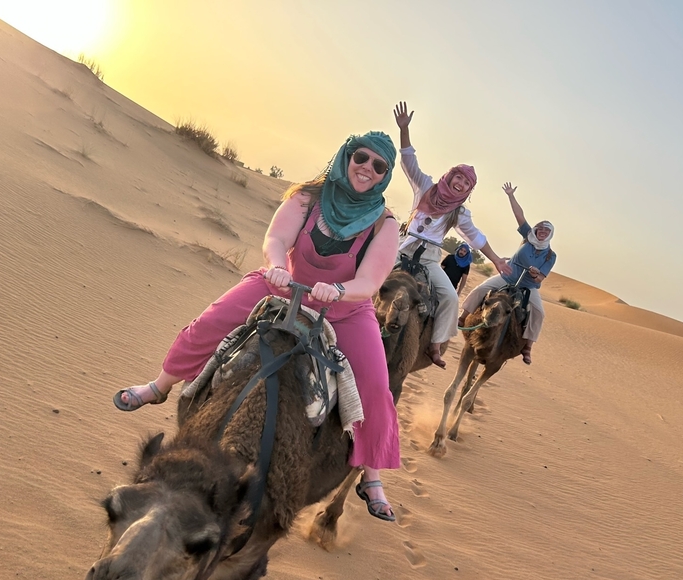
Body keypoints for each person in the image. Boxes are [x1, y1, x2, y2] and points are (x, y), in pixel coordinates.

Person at [113, 132, 403, 522]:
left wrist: (337, 290)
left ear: (386, 175)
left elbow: (369, 282)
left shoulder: (385, 224)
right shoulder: (308, 197)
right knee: (209, 323)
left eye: (378, 166)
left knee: (375, 385)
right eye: (361, 158)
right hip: (282, 285)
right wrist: (278, 266)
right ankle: (159, 386)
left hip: (344, 308)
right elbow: (276, 238)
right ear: (346, 156)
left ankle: (371, 474)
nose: (367, 168)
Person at [392, 101, 511, 369]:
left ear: (468, 190)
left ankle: (434, 346)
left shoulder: (459, 212)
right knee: (370, 272)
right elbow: (409, 162)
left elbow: (476, 238)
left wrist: (495, 260)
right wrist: (404, 130)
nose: (460, 183)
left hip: (429, 259)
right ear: (451, 176)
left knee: (450, 297)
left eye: (466, 183)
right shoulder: (425, 187)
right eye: (459, 178)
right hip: (402, 249)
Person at [458, 182, 556, 365]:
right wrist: (511, 195)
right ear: (536, 230)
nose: (542, 232)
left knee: (539, 313)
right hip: (508, 275)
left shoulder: (551, 255)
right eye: (540, 229)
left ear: (551, 234)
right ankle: (463, 317)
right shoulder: (528, 237)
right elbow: (519, 216)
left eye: (547, 230)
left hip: (529, 286)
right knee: (481, 289)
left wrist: (535, 274)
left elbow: (541, 277)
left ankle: (528, 346)